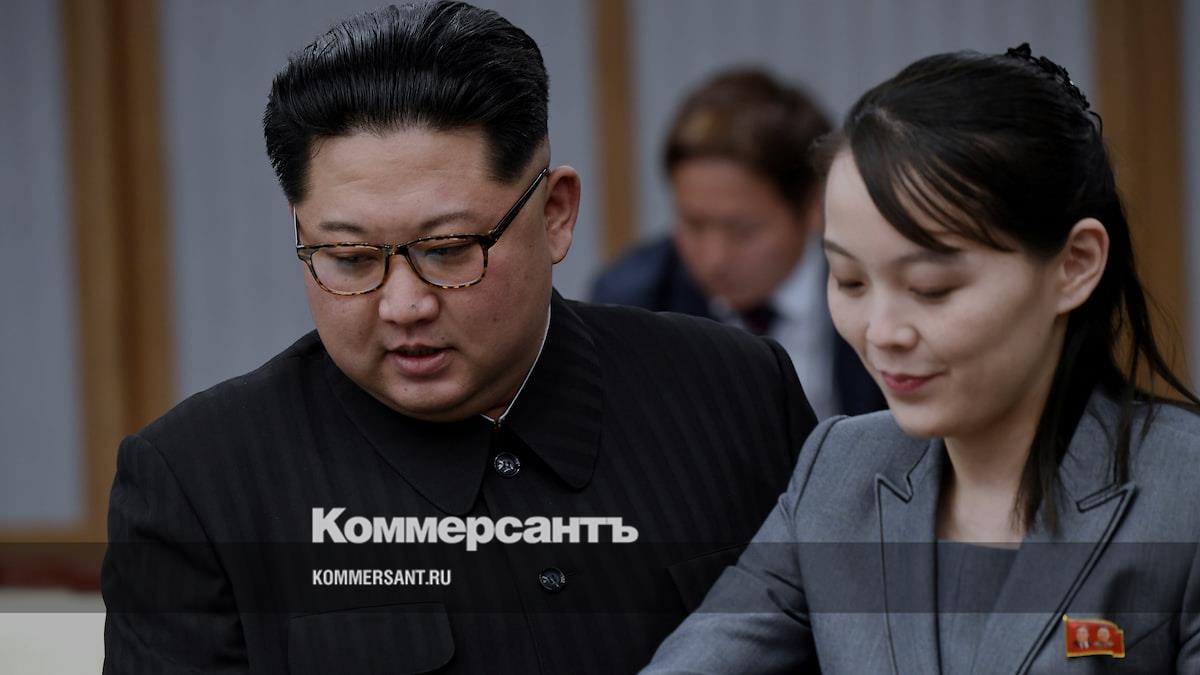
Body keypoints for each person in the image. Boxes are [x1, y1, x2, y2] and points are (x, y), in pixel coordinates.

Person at [100, 3, 817, 673]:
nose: (403, 305)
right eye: (349, 258)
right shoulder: (200, 482)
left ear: (556, 214)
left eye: (447, 250)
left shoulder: (738, 393)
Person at [644, 43, 1200, 673]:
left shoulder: (1182, 492)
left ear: (1074, 265)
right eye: (850, 281)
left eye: (931, 288)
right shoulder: (840, 473)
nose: (882, 332)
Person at [591, 69, 884, 419]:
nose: (713, 259)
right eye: (694, 224)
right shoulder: (635, 304)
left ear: (813, 208)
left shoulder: (881, 288)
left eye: (742, 230)